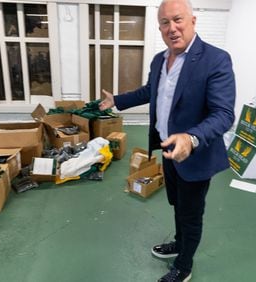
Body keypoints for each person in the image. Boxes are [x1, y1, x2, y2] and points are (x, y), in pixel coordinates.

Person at [99, 0, 235, 281]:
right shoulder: (160, 59)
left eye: (178, 20)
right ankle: (180, 243)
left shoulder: (216, 59)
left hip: (195, 154)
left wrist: (191, 137)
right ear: (159, 26)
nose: (172, 28)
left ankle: (184, 266)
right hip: (168, 149)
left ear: (193, 21)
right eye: (164, 22)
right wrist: (118, 100)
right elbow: (152, 90)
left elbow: (223, 114)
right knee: (177, 204)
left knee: (191, 212)